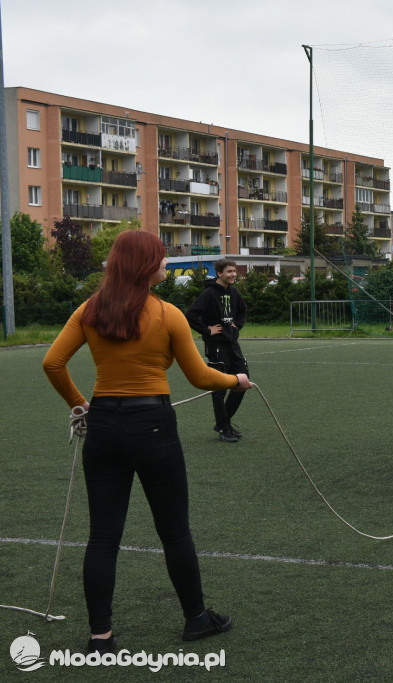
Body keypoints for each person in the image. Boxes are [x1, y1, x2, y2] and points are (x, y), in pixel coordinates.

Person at [42, 230, 251, 653]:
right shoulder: (167, 313)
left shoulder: (89, 309)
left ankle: (100, 636)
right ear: (145, 266)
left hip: (104, 426)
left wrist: (81, 404)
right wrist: (236, 380)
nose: (165, 263)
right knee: (174, 530)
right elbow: (199, 376)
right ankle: (196, 619)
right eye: (161, 257)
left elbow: (53, 363)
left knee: (103, 536)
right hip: (153, 426)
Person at [185, 259, 249, 442]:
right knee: (219, 388)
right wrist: (207, 330)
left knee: (243, 382)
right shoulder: (209, 293)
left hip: (232, 344)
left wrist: (237, 326)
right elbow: (190, 315)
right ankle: (223, 428)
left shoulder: (234, 292)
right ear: (219, 273)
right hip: (216, 346)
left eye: (234, 271)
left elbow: (242, 311)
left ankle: (224, 421)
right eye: (229, 271)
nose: (233, 274)